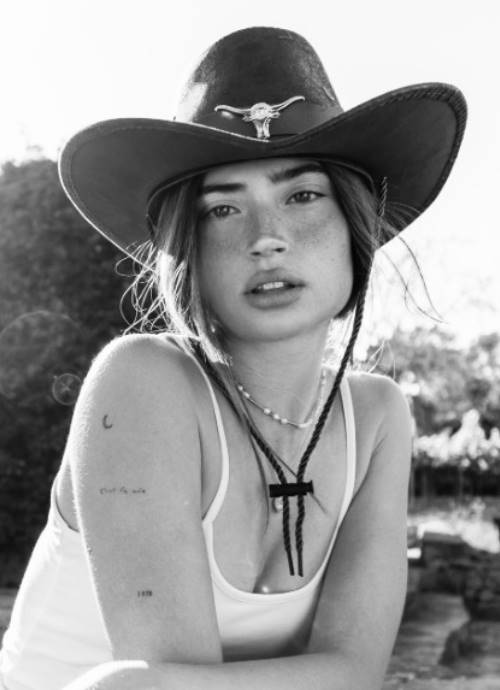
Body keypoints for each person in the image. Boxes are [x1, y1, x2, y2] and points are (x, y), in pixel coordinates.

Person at [0, 26, 466, 690]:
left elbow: (357, 670)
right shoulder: (143, 382)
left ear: (355, 224)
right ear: (187, 247)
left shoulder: (377, 418)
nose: (266, 238)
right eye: (222, 209)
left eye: (302, 196)